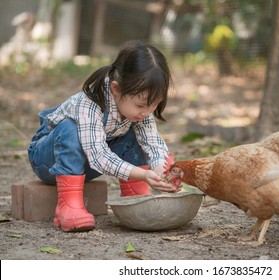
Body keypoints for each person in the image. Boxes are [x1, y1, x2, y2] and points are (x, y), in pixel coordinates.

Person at [27, 40, 178, 232]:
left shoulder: (139, 111)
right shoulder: (89, 102)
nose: (147, 112)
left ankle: (135, 195)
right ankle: (69, 205)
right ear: (116, 89)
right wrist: (142, 173)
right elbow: (98, 156)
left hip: (86, 165)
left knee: (137, 133)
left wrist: (160, 172)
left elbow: (152, 143)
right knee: (69, 128)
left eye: (154, 104)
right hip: (48, 161)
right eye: (141, 105)